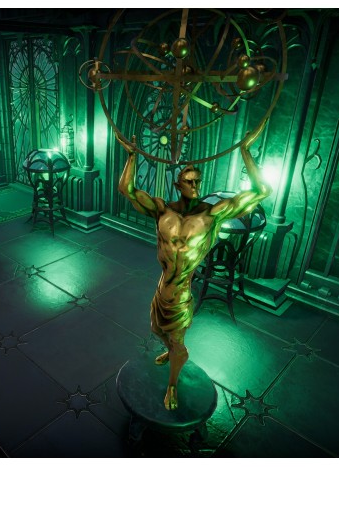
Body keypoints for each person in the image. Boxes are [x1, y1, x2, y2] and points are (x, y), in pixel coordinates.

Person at [116, 119, 271, 411]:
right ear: (178, 185)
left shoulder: (212, 215)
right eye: (189, 181)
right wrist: (132, 156)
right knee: (156, 330)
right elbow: (127, 190)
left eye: (198, 181)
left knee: (177, 343)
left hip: (181, 294)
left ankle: (173, 384)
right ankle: (172, 351)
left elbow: (262, 190)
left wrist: (246, 152)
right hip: (161, 290)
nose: (195, 186)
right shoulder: (162, 210)